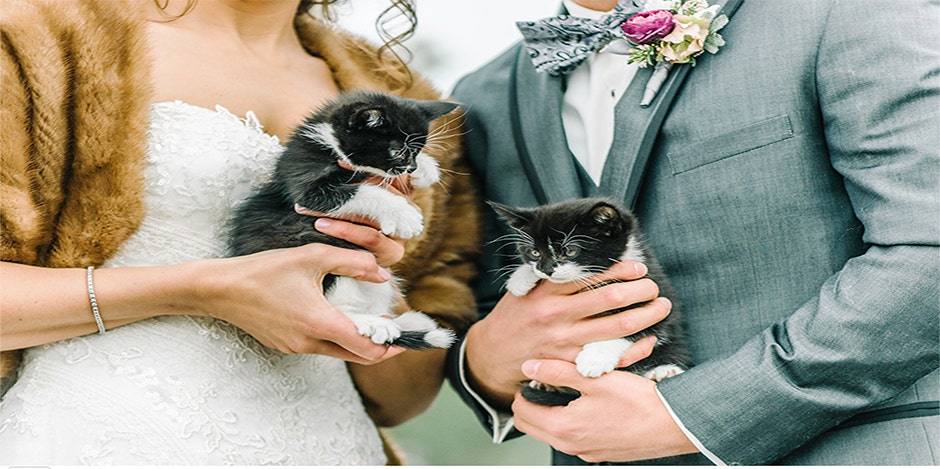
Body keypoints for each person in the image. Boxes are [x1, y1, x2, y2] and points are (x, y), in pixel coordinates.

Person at [447, 0, 939, 465]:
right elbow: (475, 300)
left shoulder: (842, 11)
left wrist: (700, 415)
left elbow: (928, 251)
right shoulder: (480, 96)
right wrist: (484, 363)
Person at [0, 0, 480, 465]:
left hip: (329, 443)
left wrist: (364, 275)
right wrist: (200, 290)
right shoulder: (34, 38)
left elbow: (401, 400)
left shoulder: (398, 96)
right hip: (109, 434)